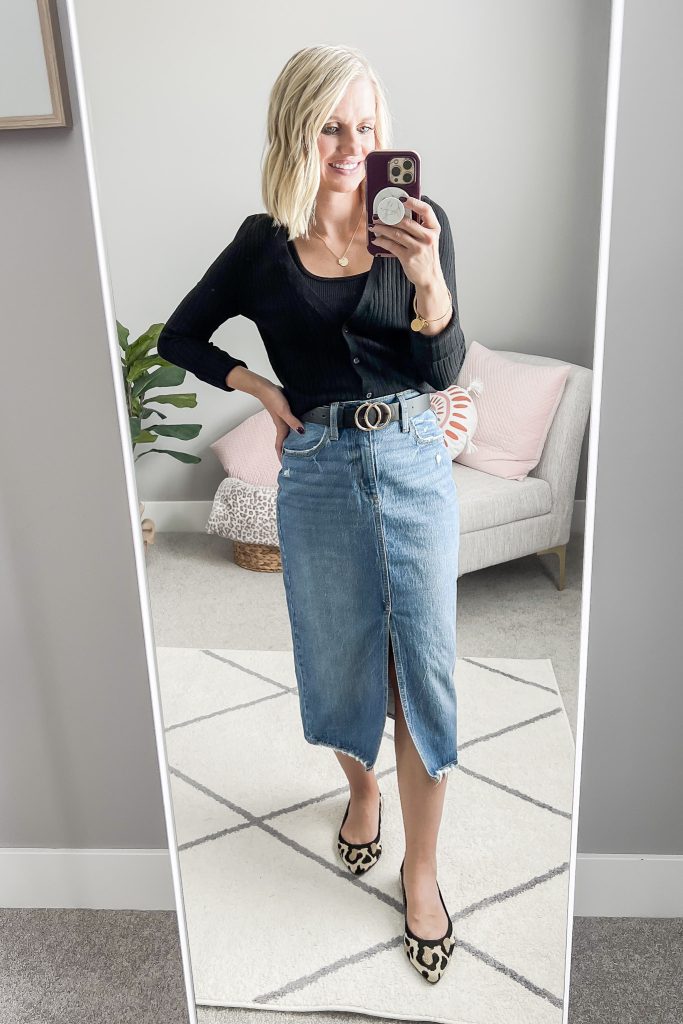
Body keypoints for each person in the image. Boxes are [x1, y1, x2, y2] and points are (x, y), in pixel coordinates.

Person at [156, 44, 464, 984]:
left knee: (422, 672)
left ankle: (421, 870)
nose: (350, 145)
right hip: (321, 469)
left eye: (366, 127)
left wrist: (428, 283)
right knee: (335, 656)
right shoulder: (261, 244)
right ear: (297, 128)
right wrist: (260, 388)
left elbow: (443, 369)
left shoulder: (419, 222)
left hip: (413, 457)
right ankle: (360, 789)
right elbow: (180, 336)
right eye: (331, 125)